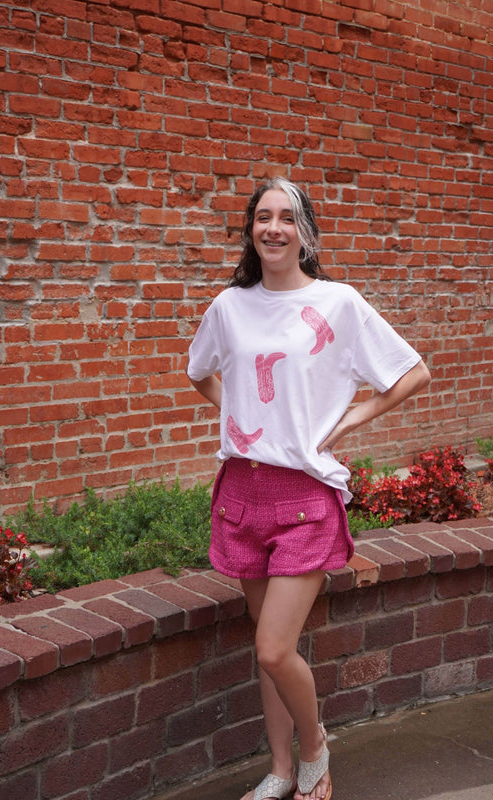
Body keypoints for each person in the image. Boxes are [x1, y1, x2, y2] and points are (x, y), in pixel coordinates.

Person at [186, 178, 431, 800]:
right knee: (271, 645)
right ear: (250, 230)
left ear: (304, 232)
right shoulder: (229, 307)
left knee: (272, 649)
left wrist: (350, 418)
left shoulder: (338, 303)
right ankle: (281, 769)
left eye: (286, 218)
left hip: (306, 499)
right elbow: (200, 372)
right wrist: (239, 417)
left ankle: (316, 746)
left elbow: (411, 371)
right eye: (262, 217)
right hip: (242, 492)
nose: (273, 228)